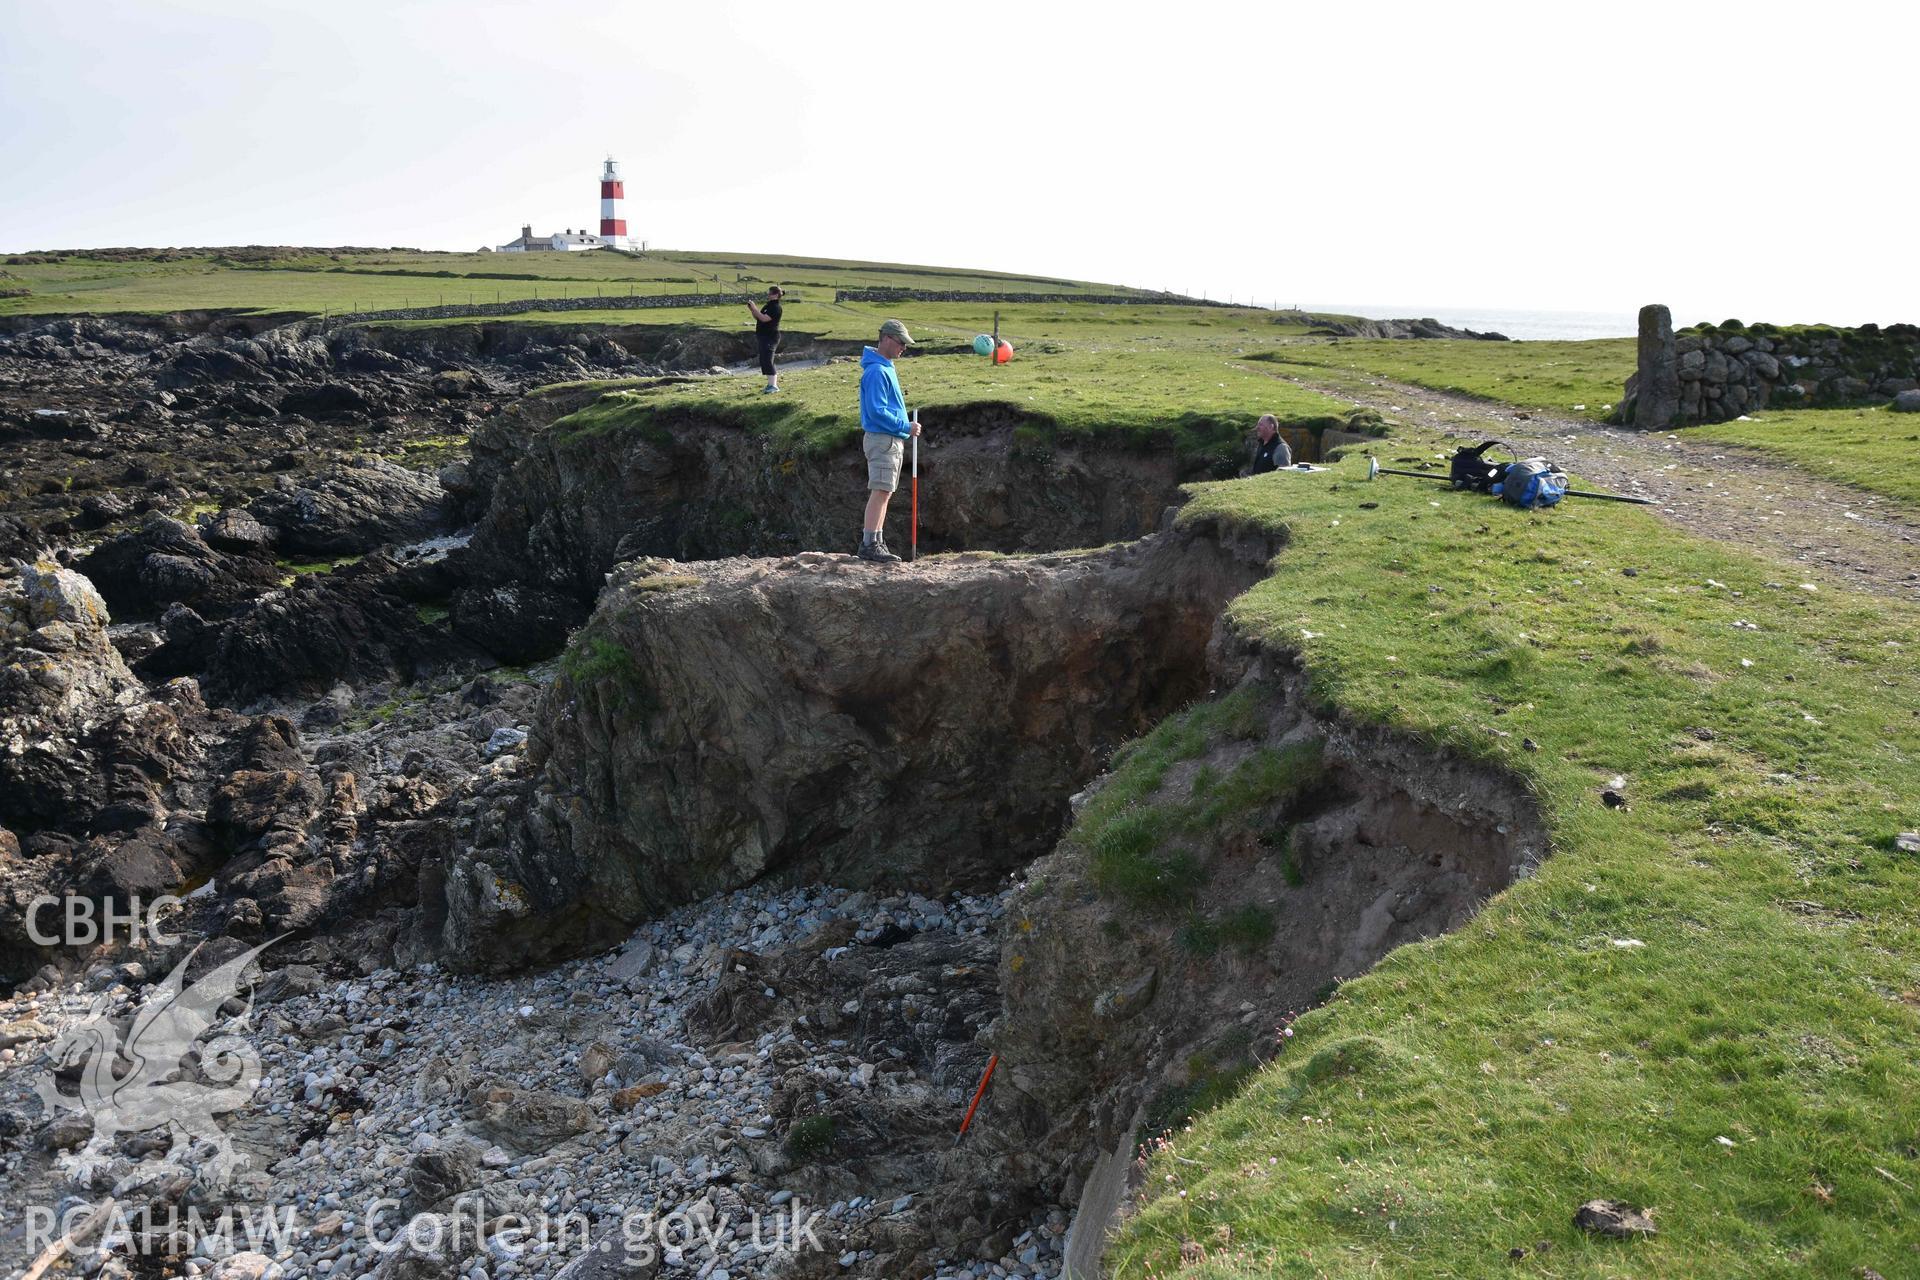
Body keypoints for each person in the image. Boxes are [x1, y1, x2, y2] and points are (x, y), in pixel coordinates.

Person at [856, 319, 920, 563]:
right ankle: (869, 544)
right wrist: (905, 426)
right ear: (885, 339)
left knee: (885, 491)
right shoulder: (876, 371)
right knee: (881, 490)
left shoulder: (884, 367)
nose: (903, 347)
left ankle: (876, 541)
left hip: (889, 440)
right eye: (900, 342)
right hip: (883, 439)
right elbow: (876, 412)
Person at [746, 285, 784, 392]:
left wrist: (754, 308)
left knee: (768, 360)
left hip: (771, 337)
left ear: (776, 295)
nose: (768, 295)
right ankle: (770, 385)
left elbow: (764, 319)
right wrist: (752, 310)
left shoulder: (776, 307)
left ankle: (774, 386)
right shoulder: (768, 306)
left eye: (770, 293)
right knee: (764, 360)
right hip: (763, 336)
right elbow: (758, 317)